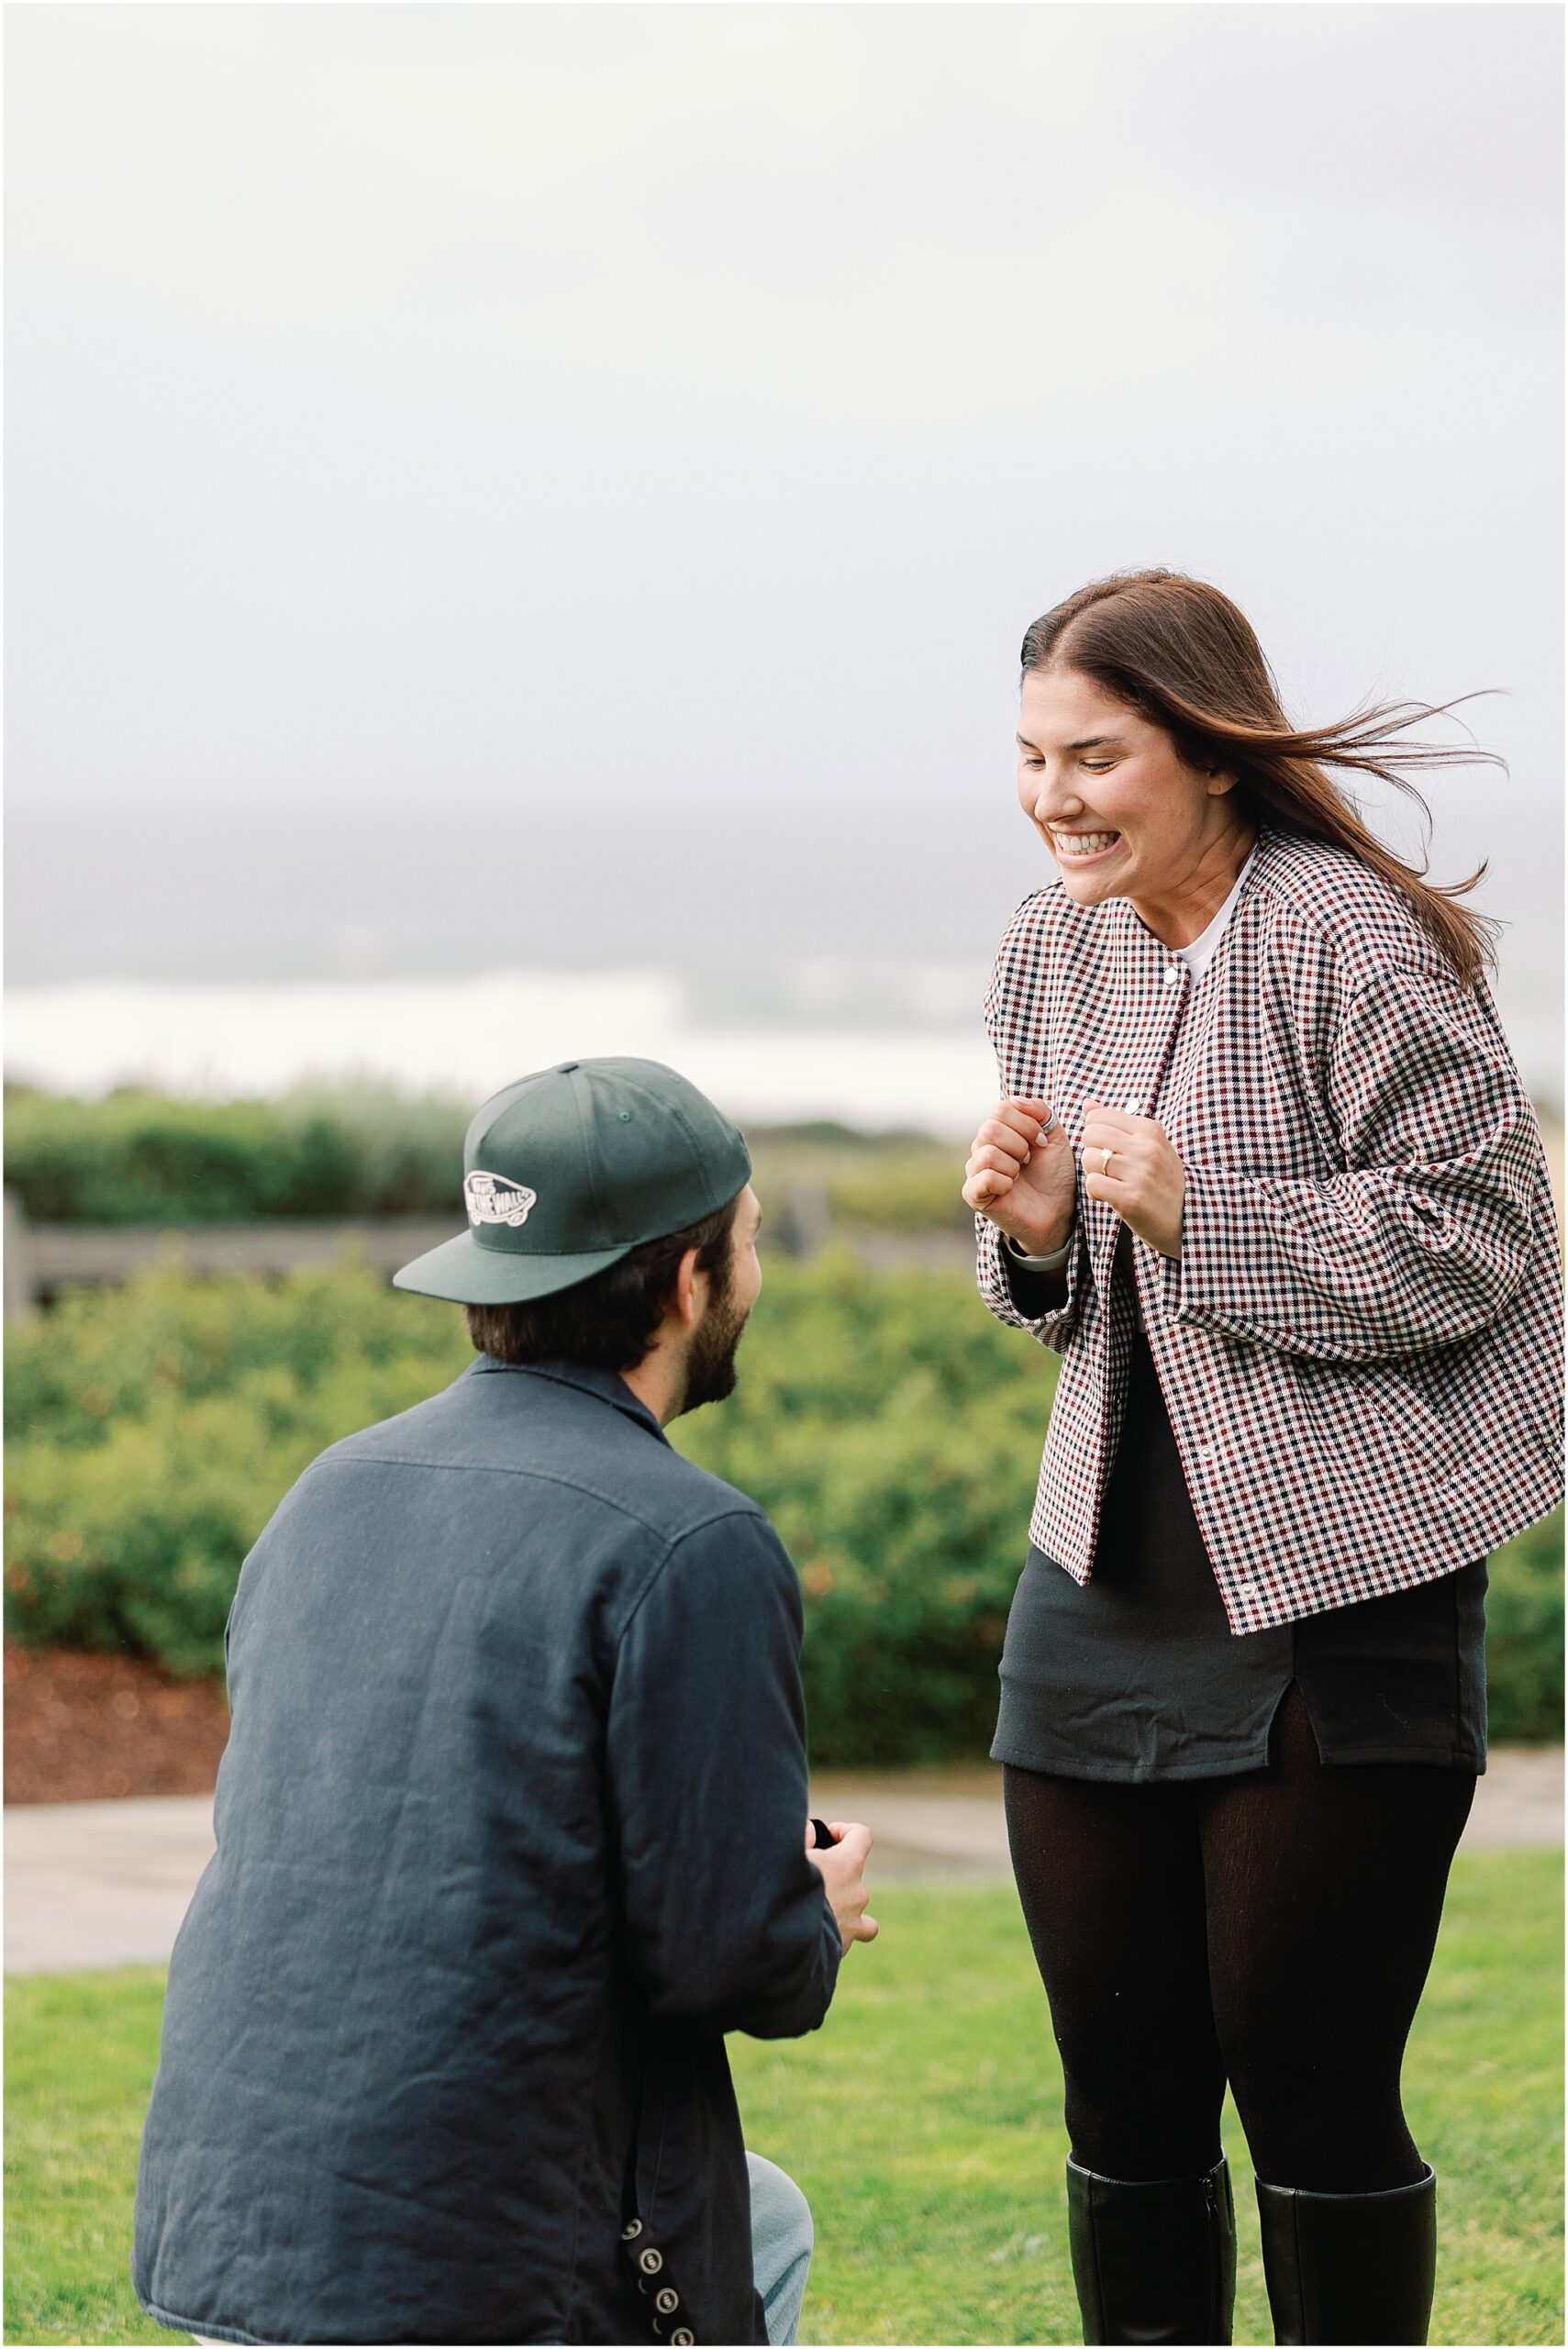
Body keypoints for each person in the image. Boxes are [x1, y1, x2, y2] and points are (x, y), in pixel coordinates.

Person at [962, 573, 1562, 2347]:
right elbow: (1072, 1307)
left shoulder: (1356, 939)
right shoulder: (1043, 947)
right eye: (1027, 758)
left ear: (1207, 752)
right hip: (1102, 1570)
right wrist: (1049, 1226)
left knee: (1305, 2088)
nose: (1053, 797)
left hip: (1337, 1587)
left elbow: (1476, 1245)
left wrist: (1191, 1207)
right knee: (1119, 2101)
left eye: (1094, 756)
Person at [134, 1056, 877, 2348]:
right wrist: (807, 1910)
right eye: (749, 1244)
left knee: (762, 2216)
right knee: (742, 2226)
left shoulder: (327, 1490)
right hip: (474, 2266)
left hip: (235, 2227)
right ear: (690, 1279)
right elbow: (726, 1961)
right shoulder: (690, 1540)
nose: (754, 1279)